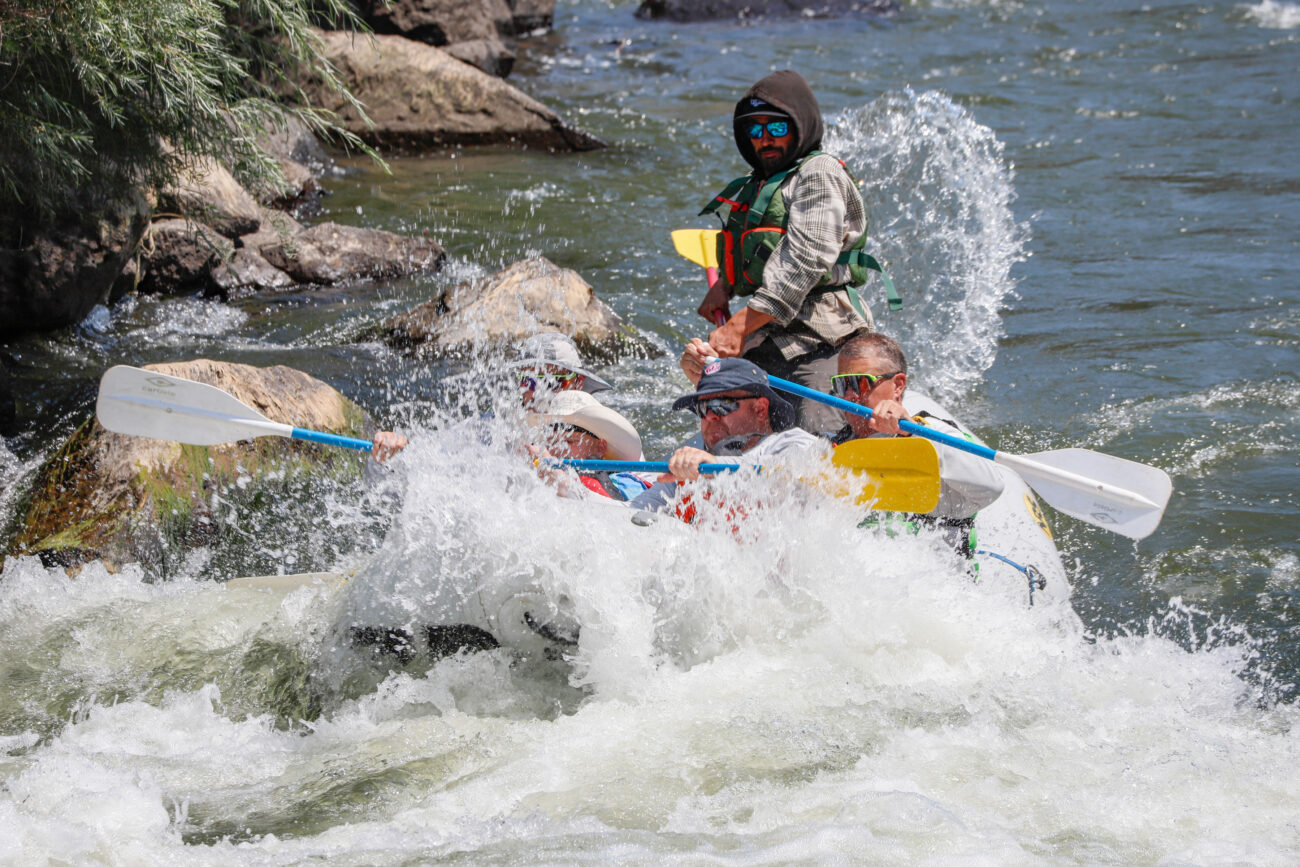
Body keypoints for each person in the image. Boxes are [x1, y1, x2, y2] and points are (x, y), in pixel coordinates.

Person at [687, 69, 896, 434]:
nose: (765, 139)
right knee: (732, 419)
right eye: (755, 130)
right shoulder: (760, 185)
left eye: (777, 129)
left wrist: (738, 326)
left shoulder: (819, 173)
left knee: (817, 433)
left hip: (824, 339)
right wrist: (725, 285)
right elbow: (758, 251)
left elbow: (804, 259)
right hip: (768, 337)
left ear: (801, 128)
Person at [828, 333, 1004, 554]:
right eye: (842, 384)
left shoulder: (933, 434)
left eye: (860, 383)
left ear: (898, 386)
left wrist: (910, 435)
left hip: (937, 580)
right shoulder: (835, 447)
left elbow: (991, 488)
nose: (850, 395)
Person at [629, 357, 823, 515]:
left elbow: (786, 474)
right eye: (703, 408)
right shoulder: (692, 470)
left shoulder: (796, 443)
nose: (710, 416)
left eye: (722, 405)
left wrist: (716, 466)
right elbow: (635, 513)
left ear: (760, 409)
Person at [525, 390, 652, 501]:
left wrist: (557, 478)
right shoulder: (537, 477)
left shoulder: (623, 481)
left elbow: (629, 510)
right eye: (552, 442)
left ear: (600, 447)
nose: (558, 449)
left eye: (569, 441)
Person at [510, 331, 613, 406]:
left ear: (578, 382)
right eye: (529, 382)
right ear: (519, 383)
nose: (541, 394)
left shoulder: (593, 429)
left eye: (554, 383)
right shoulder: (503, 425)